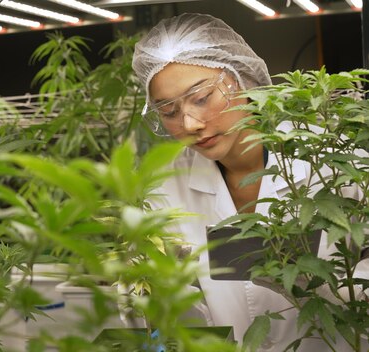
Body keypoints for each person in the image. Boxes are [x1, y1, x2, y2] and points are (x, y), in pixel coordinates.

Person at [131, 13, 367, 352]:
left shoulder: (331, 161)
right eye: (168, 111)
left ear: (242, 80)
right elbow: (184, 315)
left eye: (200, 98)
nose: (190, 123)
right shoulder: (167, 186)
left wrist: (322, 287)